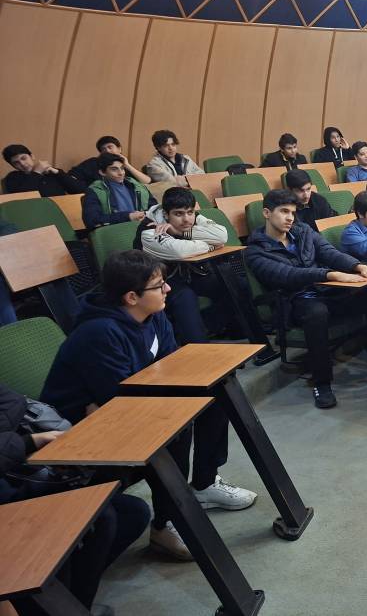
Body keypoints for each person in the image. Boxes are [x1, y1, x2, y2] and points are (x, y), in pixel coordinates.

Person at [40, 250, 257, 562]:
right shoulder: (98, 332)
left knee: (214, 399)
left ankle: (205, 483)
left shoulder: (154, 316)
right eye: (159, 285)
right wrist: (157, 392)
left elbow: (172, 366)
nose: (168, 289)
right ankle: (164, 525)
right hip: (77, 433)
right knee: (174, 428)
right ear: (131, 297)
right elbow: (120, 400)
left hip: (119, 405)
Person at [245, 190, 367, 409]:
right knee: (316, 313)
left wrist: (358, 266)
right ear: (266, 213)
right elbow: (287, 275)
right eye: (284, 212)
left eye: (292, 212)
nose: (290, 218)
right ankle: (321, 382)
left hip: (324, 291)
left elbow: (329, 252)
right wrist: (329, 274)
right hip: (293, 300)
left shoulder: (302, 231)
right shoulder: (255, 251)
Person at [0, 382, 150, 614]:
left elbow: (13, 401)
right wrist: (24, 442)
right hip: (12, 499)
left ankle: (76, 605)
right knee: (96, 518)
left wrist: (9, 440)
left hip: (24, 473)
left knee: (132, 512)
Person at [138, 187, 239, 343]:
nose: (186, 219)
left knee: (231, 282)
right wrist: (212, 245)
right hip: (161, 282)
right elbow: (180, 252)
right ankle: (200, 349)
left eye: (190, 212)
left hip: (191, 273)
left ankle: (231, 330)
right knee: (185, 297)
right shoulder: (149, 228)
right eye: (178, 214)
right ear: (166, 214)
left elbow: (222, 236)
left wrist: (180, 233)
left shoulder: (194, 217)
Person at [82, 152, 155, 229]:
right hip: (115, 231)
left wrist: (145, 215)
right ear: (102, 172)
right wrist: (128, 216)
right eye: (114, 169)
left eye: (122, 168)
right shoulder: (95, 190)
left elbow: (155, 209)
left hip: (143, 228)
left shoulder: (137, 186)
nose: (121, 173)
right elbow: (92, 220)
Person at [2, 143, 85, 196]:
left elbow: (81, 191)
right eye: (16, 163)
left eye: (24, 158)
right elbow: (22, 198)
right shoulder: (12, 178)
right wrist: (37, 172)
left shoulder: (52, 173)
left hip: (60, 211)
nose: (22, 164)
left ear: (32, 156)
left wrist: (58, 173)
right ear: (13, 166)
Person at [71, 135, 151, 186]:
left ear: (119, 149)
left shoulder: (123, 166)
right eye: (103, 149)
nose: (107, 151)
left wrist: (127, 165)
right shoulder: (93, 162)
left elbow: (147, 181)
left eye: (110, 147)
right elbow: (72, 176)